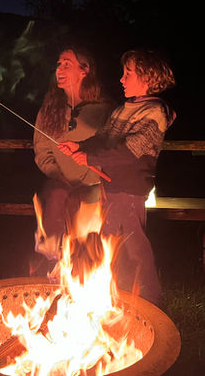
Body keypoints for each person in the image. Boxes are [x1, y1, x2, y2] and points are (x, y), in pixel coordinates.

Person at [59, 48, 176, 305]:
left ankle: (150, 300)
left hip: (130, 187)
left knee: (135, 247)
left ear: (147, 78)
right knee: (112, 242)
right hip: (110, 185)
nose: (121, 79)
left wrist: (91, 159)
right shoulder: (123, 109)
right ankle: (115, 296)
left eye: (128, 74)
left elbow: (130, 150)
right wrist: (81, 147)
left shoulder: (155, 112)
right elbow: (104, 138)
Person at [33, 47, 112, 262]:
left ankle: (85, 266)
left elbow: (110, 149)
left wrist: (89, 180)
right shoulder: (49, 110)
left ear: (84, 70)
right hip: (59, 180)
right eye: (59, 64)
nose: (60, 68)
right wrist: (58, 176)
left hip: (95, 183)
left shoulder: (103, 109)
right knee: (57, 195)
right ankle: (50, 261)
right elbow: (42, 151)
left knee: (85, 203)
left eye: (67, 63)